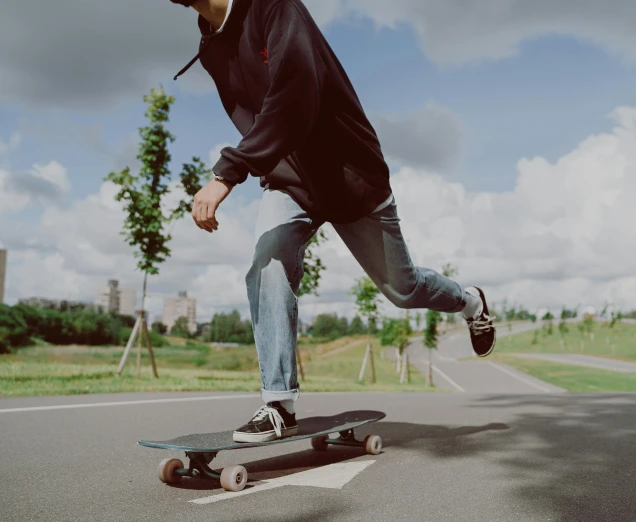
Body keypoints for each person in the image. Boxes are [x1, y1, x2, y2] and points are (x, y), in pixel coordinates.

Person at [171, 0, 496, 443]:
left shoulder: (272, 7)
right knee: (268, 263)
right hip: (290, 181)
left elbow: (296, 91)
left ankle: (470, 301)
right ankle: (278, 404)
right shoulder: (210, 46)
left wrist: (229, 172)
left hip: (350, 174)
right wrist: (266, 166)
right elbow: (254, 118)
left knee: (403, 289)